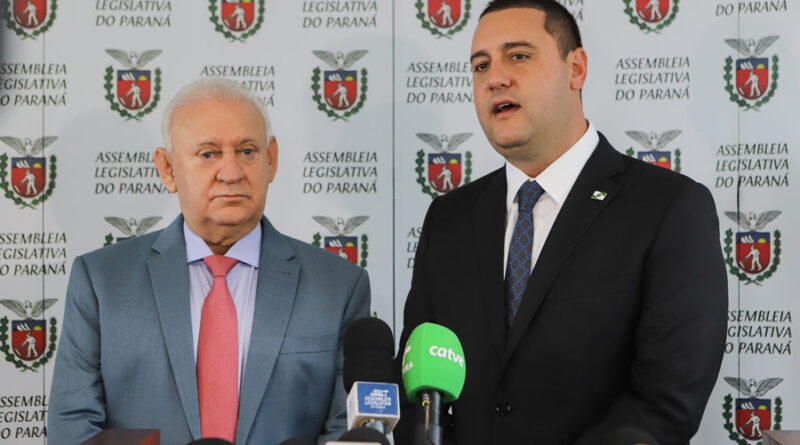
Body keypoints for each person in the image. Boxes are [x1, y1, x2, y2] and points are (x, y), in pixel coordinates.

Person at [395, 1, 727, 444]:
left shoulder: (669, 208)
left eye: (518, 56)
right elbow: (417, 392)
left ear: (576, 69)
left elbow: (665, 404)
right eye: (480, 65)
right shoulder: (449, 218)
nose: (495, 78)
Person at [48, 78, 371, 445]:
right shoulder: (102, 282)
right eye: (208, 154)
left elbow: (349, 430)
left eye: (247, 151)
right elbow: (73, 430)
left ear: (271, 159)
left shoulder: (339, 287)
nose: (231, 172)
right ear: (168, 169)